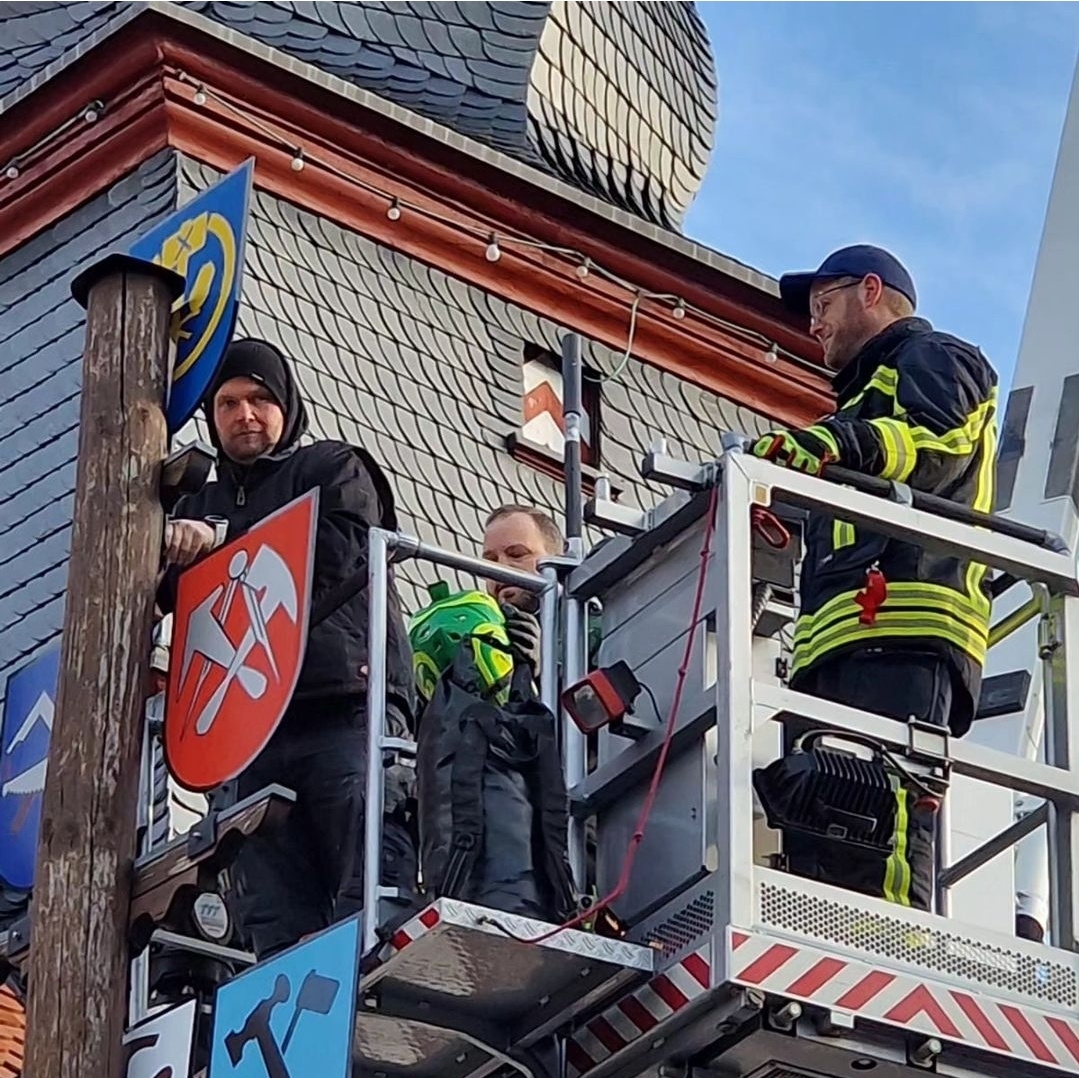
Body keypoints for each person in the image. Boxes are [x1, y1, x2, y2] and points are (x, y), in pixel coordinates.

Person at [752, 245, 998, 911]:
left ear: (869, 290)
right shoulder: (859, 401)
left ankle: (897, 942)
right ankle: (825, 930)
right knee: (821, 809)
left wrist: (836, 443)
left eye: (823, 303)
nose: (813, 323)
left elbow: (936, 444)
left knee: (885, 816)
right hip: (837, 645)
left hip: (905, 629)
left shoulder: (936, 357)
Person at [158, 338, 417, 957]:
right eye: (227, 403)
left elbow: (341, 550)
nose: (244, 415)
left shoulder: (331, 467)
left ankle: (372, 979)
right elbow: (163, 596)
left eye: (259, 399)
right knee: (270, 911)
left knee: (367, 876)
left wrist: (220, 540)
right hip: (245, 731)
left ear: (286, 407)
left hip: (344, 704)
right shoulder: (197, 503)